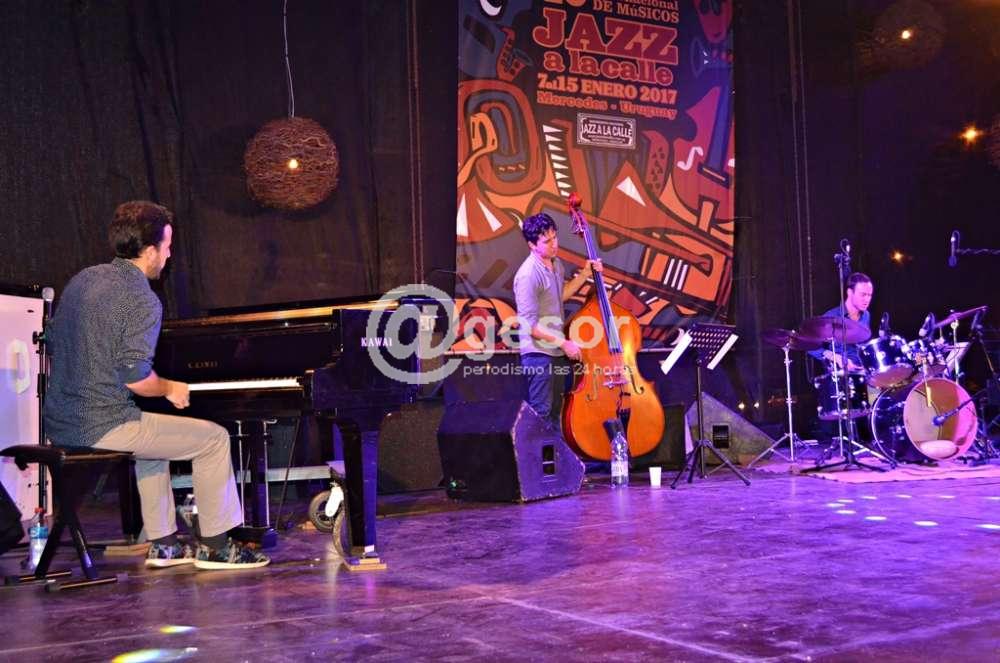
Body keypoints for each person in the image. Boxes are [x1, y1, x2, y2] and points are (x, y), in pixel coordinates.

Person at [43, 201, 269, 570]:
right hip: (101, 425)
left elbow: (53, 342)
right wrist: (169, 388)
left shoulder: (84, 279)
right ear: (149, 251)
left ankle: (164, 544)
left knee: (154, 442)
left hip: (60, 422)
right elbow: (136, 380)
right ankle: (215, 546)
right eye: (167, 246)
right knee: (213, 439)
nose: (169, 255)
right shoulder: (142, 300)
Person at [513, 212, 600, 426]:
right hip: (538, 355)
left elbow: (559, 296)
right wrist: (564, 343)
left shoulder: (556, 264)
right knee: (541, 415)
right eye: (547, 241)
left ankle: (556, 450)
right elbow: (528, 325)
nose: (554, 244)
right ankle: (536, 451)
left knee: (556, 414)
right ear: (532, 245)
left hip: (555, 351)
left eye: (555, 237)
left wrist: (585, 274)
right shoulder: (528, 275)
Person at [807, 272, 874, 371]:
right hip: (840, 372)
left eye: (869, 295)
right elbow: (809, 345)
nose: (867, 300)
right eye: (863, 295)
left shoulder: (866, 315)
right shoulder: (831, 316)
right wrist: (834, 357)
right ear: (850, 292)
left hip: (862, 370)